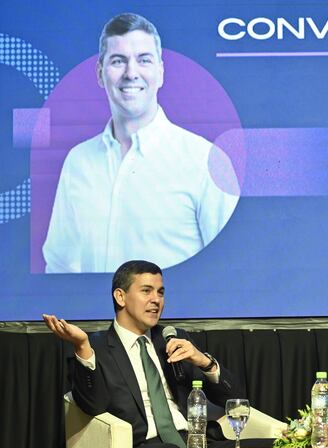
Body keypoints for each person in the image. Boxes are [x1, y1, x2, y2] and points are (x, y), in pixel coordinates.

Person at [42, 13, 239, 273]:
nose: (131, 73)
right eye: (118, 61)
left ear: (160, 72)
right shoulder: (77, 161)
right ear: (100, 74)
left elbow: (230, 268)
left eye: (143, 60)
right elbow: (59, 266)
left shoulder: (206, 160)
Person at [43, 260, 268, 448]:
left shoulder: (174, 338)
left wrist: (205, 362)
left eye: (160, 292)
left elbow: (235, 400)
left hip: (197, 442)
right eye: (146, 291)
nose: (156, 300)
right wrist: (82, 346)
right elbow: (91, 406)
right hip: (145, 447)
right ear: (120, 297)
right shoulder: (95, 347)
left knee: (275, 447)